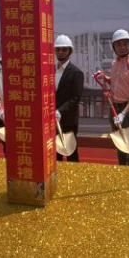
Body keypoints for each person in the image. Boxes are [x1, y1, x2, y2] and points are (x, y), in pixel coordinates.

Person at [106, 28, 129, 166]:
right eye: (118, 44)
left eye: (125, 44)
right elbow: (117, 82)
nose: (122, 47)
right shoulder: (114, 64)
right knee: (120, 144)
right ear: (114, 47)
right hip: (114, 109)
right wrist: (106, 78)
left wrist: (123, 113)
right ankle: (122, 171)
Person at [55, 34, 84, 162]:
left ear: (70, 51)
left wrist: (60, 111)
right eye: (58, 49)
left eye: (64, 49)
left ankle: (75, 174)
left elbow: (75, 98)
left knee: (71, 153)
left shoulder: (76, 73)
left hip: (68, 120)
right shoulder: (50, 70)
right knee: (56, 153)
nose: (60, 52)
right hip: (52, 120)